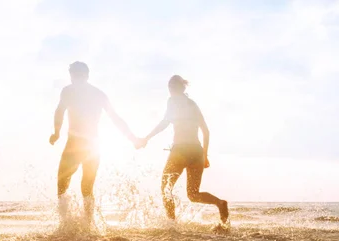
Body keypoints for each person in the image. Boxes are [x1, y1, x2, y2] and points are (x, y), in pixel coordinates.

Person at [50, 61, 139, 224]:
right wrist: (133, 138)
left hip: (74, 144)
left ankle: (64, 223)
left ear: (71, 76)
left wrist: (56, 133)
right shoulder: (99, 93)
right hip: (93, 146)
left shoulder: (68, 91)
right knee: (87, 186)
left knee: (62, 181)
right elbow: (116, 118)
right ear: (87, 75)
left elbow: (59, 111)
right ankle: (88, 223)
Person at [138, 75, 229, 223]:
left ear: (172, 88)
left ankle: (172, 224)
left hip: (180, 151)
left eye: (170, 88)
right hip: (197, 152)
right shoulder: (192, 104)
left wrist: (146, 138)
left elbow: (164, 122)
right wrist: (205, 156)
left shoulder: (173, 100)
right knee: (193, 194)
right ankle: (220, 203)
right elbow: (206, 131)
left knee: (165, 188)